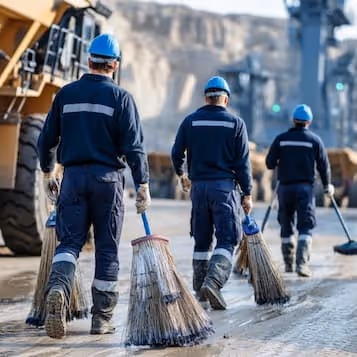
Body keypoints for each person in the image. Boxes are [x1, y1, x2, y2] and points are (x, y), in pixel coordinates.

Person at [37, 33, 150, 339]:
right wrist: (143, 184)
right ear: (115, 65)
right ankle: (101, 319)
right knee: (107, 249)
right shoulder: (122, 98)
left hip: (72, 179)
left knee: (69, 243)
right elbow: (134, 147)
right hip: (108, 183)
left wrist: (49, 173)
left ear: (88, 61)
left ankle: (58, 288)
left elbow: (47, 139)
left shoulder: (65, 94)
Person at [171, 76, 253, 310]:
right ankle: (214, 282)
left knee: (202, 239)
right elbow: (243, 164)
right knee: (227, 239)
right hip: (224, 189)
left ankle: (200, 289)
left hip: (199, 190)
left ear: (206, 98)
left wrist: (182, 173)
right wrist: (247, 193)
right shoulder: (236, 124)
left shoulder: (190, 121)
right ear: (225, 99)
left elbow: (177, 153)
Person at [265, 104, 333, 278]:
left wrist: (281, 160)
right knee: (305, 225)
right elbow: (324, 166)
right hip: (305, 189)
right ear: (309, 121)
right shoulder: (315, 141)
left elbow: (269, 163)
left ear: (293, 120)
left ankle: (288, 264)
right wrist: (327, 186)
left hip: (285, 188)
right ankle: (301, 265)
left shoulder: (281, 139)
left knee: (286, 223)